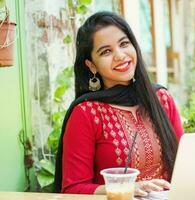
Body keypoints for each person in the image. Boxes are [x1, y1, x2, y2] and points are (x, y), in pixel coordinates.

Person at [54, 11, 183, 197]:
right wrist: (128, 189)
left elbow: (184, 165)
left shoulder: (161, 99)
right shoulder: (87, 113)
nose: (120, 56)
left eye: (124, 44)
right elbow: (73, 189)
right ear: (92, 65)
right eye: (106, 51)